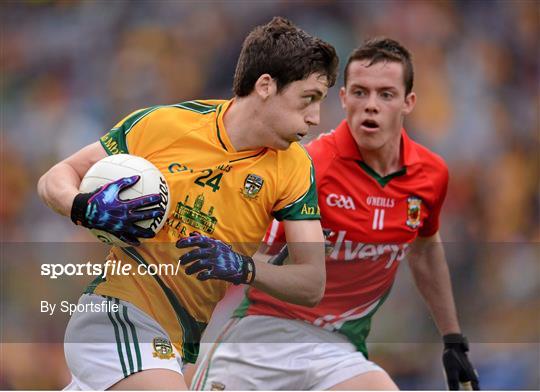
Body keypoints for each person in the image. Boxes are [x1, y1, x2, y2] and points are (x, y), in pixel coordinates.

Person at [37, 17, 338, 390]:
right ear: (265, 86)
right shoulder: (164, 124)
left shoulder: (294, 168)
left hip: (175, 341)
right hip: (116, 315)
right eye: (307, 99)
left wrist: (244, 268)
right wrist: (83, 207)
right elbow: (56, 177)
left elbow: (312, 283)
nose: (315, 117)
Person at [191, 38, 479, 390]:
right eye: (360, 93)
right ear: (343, 98)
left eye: (385, 94)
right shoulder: (308, 165)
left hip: (337, 347)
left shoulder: (431, 175)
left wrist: (452, 338)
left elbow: (425, 250)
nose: (370, 106)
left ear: (409, 102)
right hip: (263, 334)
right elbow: (249, 256)